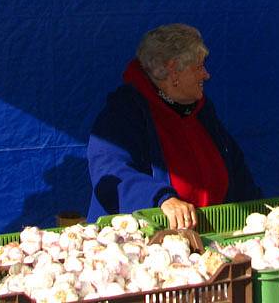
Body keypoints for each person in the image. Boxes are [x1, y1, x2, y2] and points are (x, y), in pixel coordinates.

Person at [86, 24, 261, 229]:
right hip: (146, 240)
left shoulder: (201, 110)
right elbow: (110, 170)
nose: (206, 75)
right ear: (173, 70)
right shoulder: (125, 112)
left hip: (209, 235)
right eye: (199, 67)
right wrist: (161, 199)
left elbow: (236, 169)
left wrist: (257, 211)